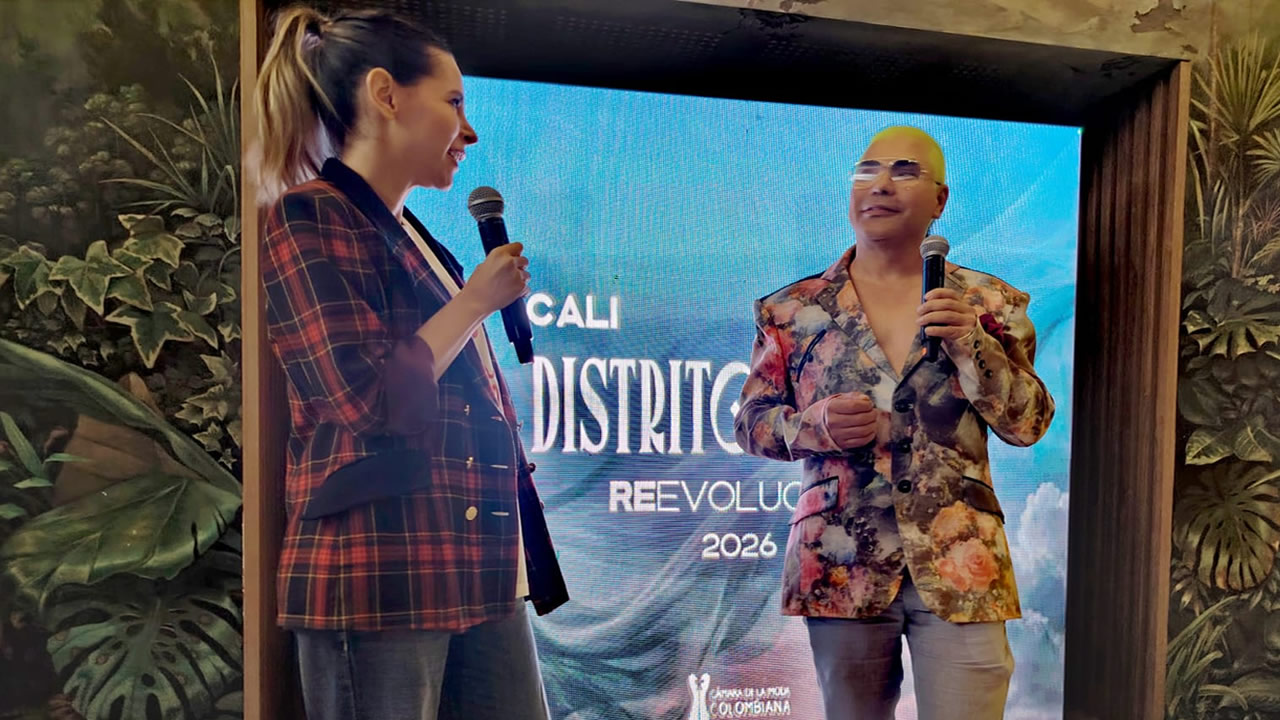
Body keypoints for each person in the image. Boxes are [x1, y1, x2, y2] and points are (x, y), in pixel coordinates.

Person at [254, 7, 568, 719]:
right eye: (453, 102)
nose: (469, 131)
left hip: (476, 565)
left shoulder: (416, 234)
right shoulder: (310, 215)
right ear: (385, 95)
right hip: (378, 571)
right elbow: (365, 397)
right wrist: (476, 302)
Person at [733, 126, 1055, 720]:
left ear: (940, 200)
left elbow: (1028, 423)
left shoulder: (990, 304)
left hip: (962, 558)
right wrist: (814, 426)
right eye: (867, 171)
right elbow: (750, 423)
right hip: (840, 561)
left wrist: (973, 346)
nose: (880, 184)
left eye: (905, 171)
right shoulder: (792, 310)